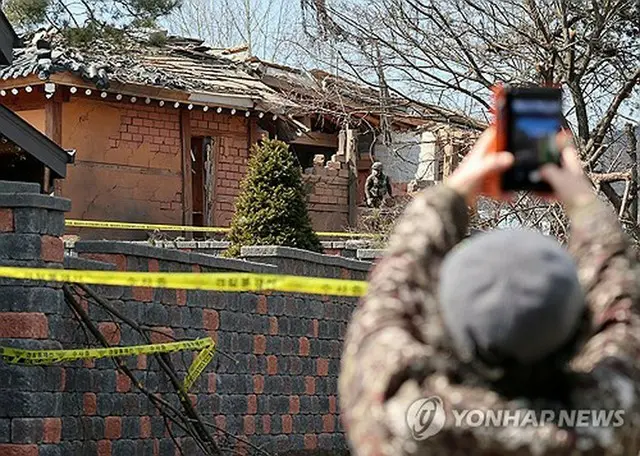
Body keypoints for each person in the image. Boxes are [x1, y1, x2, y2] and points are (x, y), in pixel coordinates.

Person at [339, 127, 640, 455]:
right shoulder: (607, 422)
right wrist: (582, 199)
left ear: (440, 322)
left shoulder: (401, 421)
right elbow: (622, 305)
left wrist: (455, 188)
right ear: (581, 327)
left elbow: (391, 290)